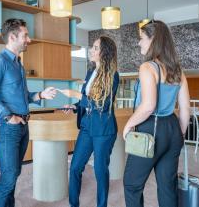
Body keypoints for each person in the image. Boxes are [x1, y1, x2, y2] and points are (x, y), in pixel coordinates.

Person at [0, 18, 56, 207]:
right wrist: (9, 116)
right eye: (25, 35)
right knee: (8, 178)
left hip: (23, 126)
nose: (28, 40)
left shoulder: (18, 64)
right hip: (8, 127)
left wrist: (40, 94)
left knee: (13, 176)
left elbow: (22, 96)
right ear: (13, 37)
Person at [122, 20, 190, 207]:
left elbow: (148, 106)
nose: (139, 43)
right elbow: (185, 109)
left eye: (142, 38)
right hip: (173, 128)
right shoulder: (178, 71)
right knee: (167, 186)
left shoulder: (148, 68)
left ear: (154, 40)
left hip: (150, 128)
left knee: (132, 184)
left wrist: (128, 125)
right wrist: (179, 134)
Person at [59, 36, 119, 207]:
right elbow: (87, 101)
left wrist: (76, 95)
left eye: (95, 47)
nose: (91, 50)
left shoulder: (112, 75)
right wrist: (74, 106)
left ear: (104, 52)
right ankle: (73, 204)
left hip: (103, 130)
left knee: (100, 172)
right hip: (86, 127)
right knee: (75, 167)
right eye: (92, 47)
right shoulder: (90, 73)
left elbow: (103, 104)